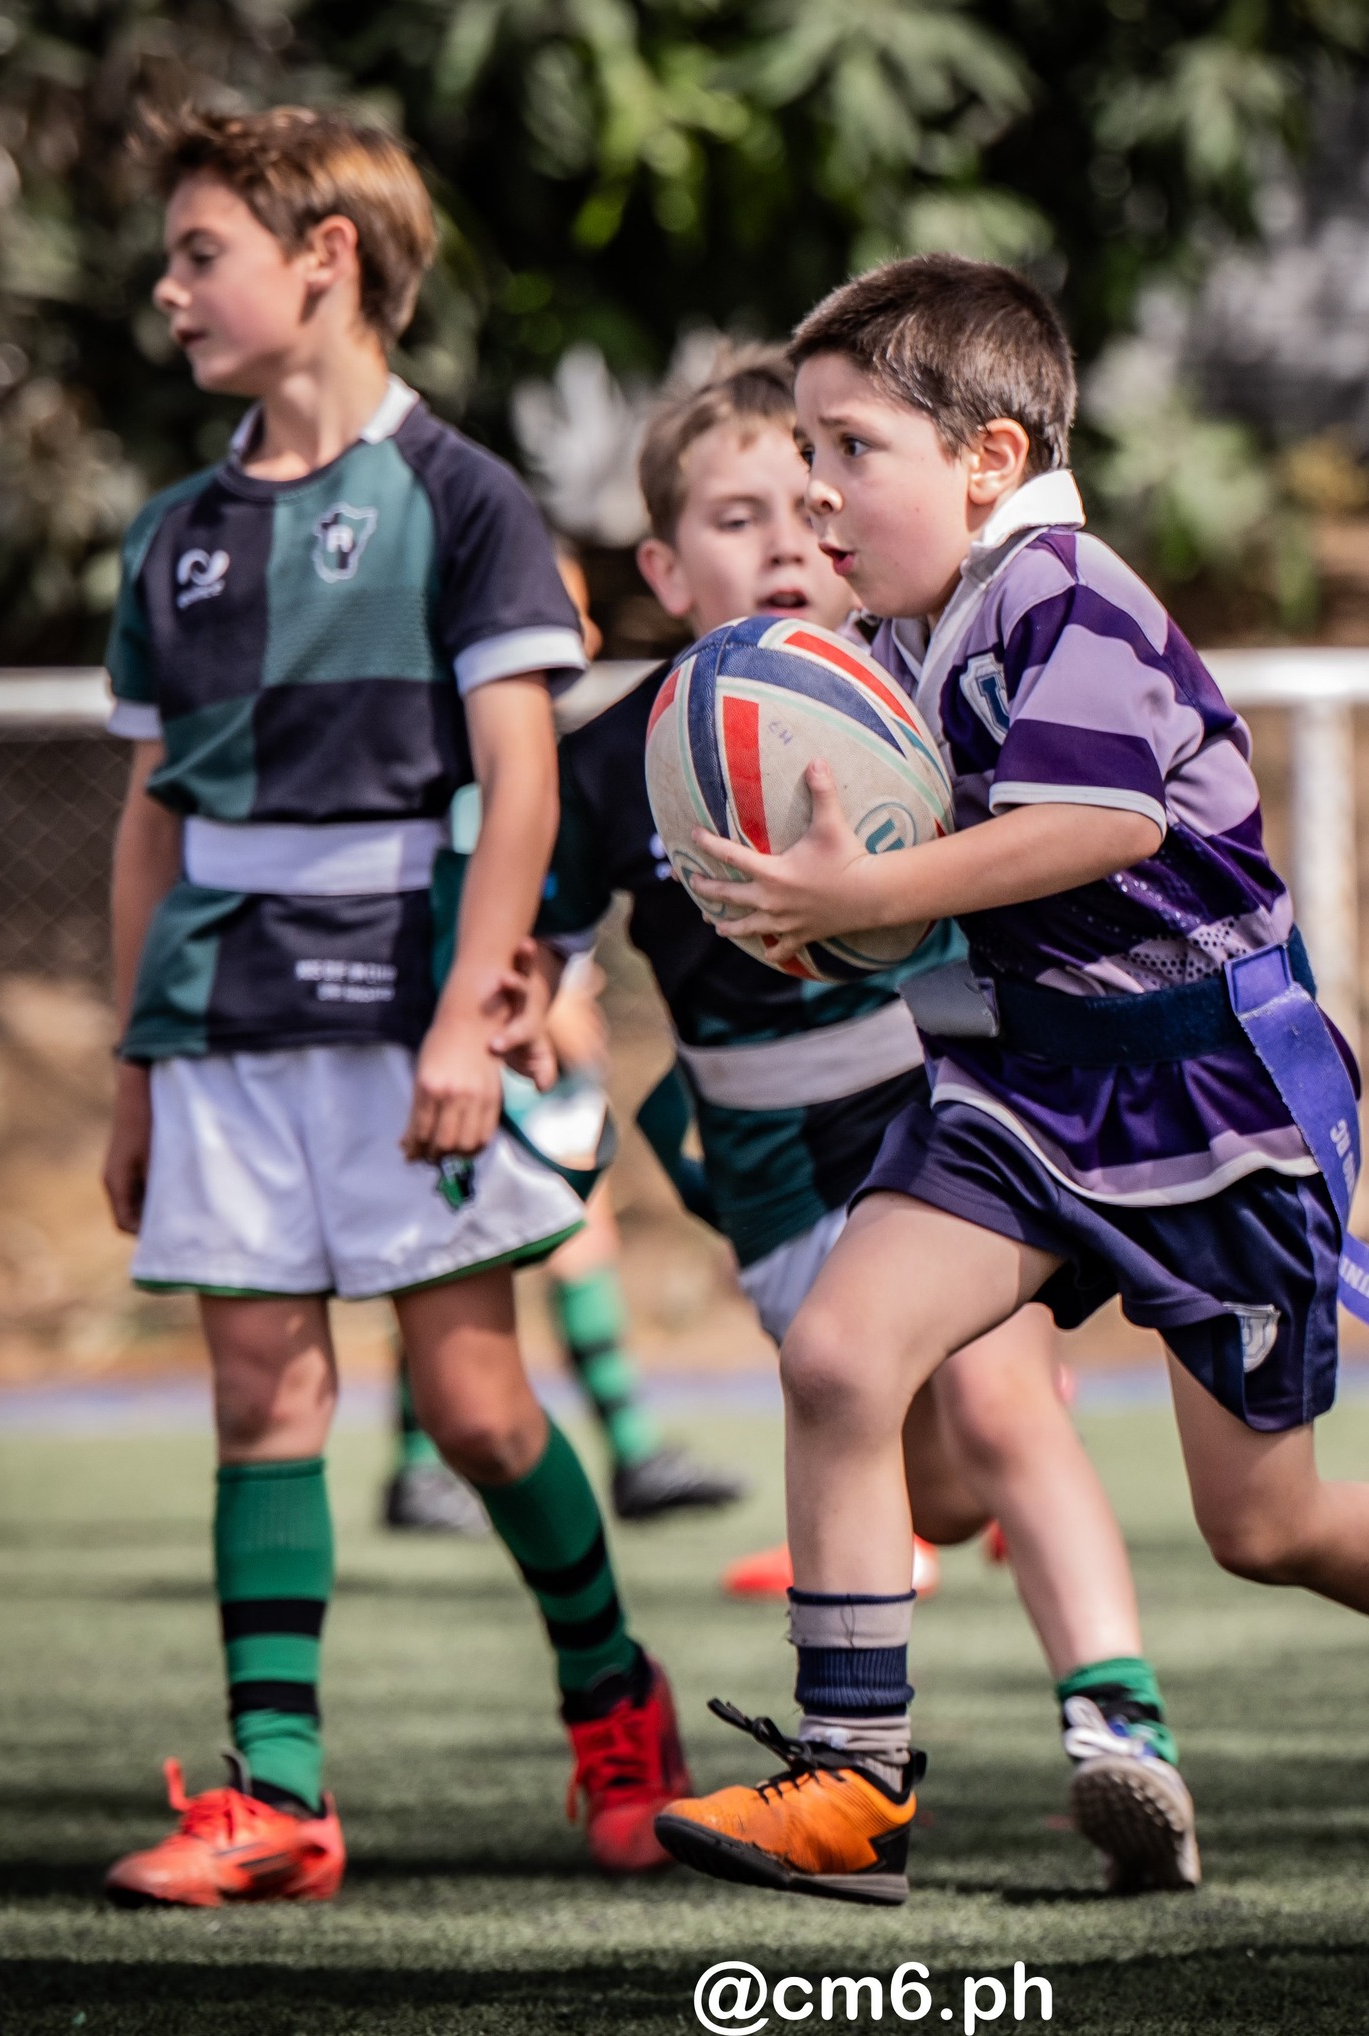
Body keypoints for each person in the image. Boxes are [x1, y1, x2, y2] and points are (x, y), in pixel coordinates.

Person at [651, 256, 1369, 1905]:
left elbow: (1101, 825)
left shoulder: (1067, 594)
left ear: (990, 462)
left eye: (850, 451)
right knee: (836, 1352)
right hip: (1025, 1094)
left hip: (1211, 1105)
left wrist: (863, 898)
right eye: (802, 456)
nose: (815, 494)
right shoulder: (899, 624)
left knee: (1262, 1524)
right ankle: (849, 1781)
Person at [97, 105, 688, 1905]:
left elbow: (520, 782)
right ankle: (277, 1793)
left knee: (479, 1410)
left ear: (323, 261)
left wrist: (458, 1016)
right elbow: (150, 820)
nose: (172, 289)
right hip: (222, 1012)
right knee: (261, 1395)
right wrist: (131, 1065)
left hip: (405, 998)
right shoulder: (174, 535)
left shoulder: (464, 498)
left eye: (203, 252)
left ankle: (616, 1697)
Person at [513, 347, 1200, 1891]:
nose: (777, 545)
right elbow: (534, 934)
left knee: (1009, 1409)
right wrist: (508, 998)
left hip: (943, 1108)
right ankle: (956, 1548)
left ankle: (1123, 1731)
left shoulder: (921, 688)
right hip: (770, 1172)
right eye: (730, 516)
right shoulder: (611, 759)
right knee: (924, 1466)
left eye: (799, 511)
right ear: (663, 567)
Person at [383, 546, 744, 1533]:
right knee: (456, 1247)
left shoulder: (550, 748)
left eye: (579, 617)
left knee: (570, 1229)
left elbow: (556, 904)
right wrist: (517, 998)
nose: (578, 640)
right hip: (467, 1035)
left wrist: (565, 981)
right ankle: (426, 1462)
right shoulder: (461, 760)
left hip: (525, 1031)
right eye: (555, 614)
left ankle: (624, 1450)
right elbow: (468, 898)